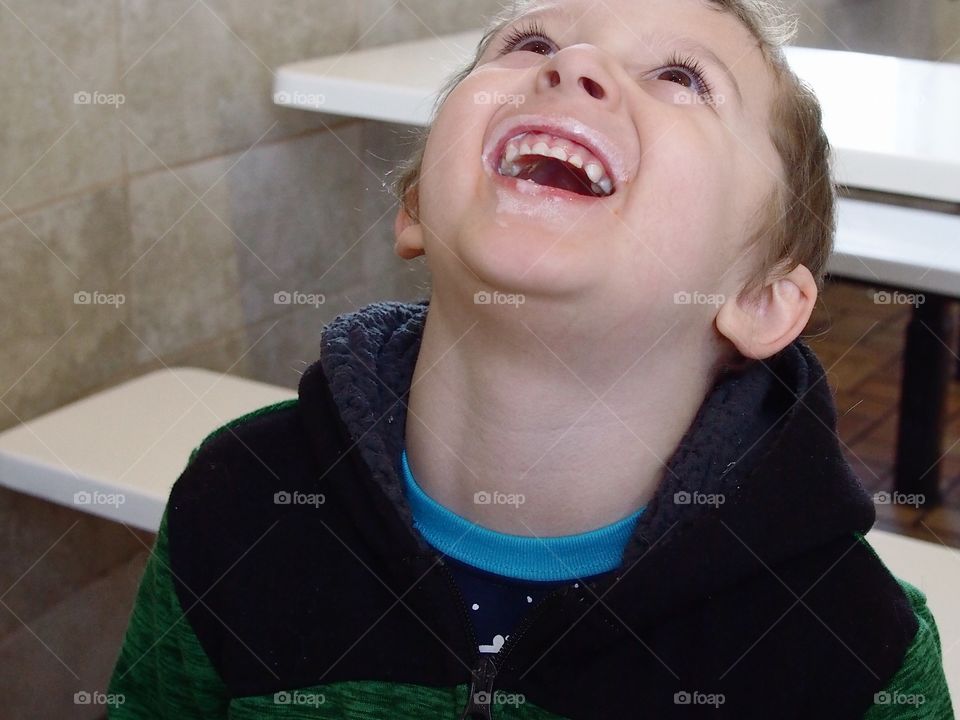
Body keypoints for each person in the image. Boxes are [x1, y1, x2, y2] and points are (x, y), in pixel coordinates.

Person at [107, 0, 953, 717]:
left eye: (681, 78)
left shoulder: (856, 648)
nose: (574, 65)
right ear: (413, 208)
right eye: (532, 45)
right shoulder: (237, 503)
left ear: (763, 300)